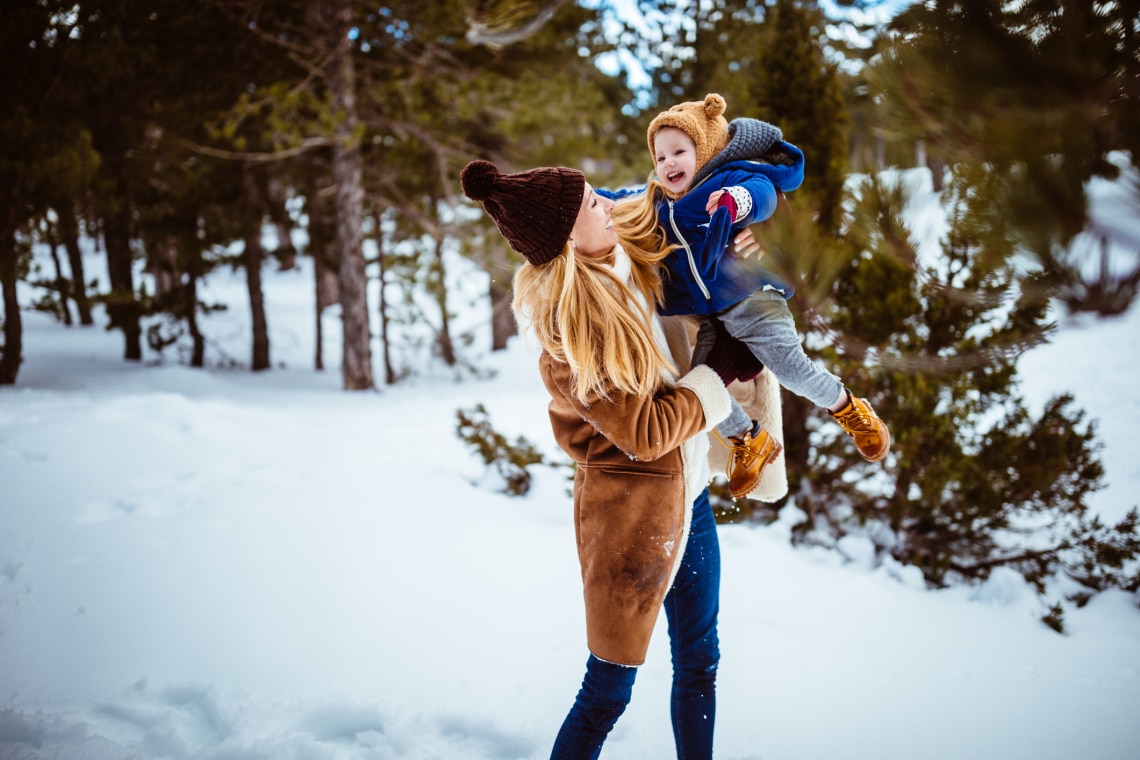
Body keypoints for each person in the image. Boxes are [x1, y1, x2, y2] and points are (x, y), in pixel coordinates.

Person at [461, 158, 762, 760]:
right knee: (607, 690)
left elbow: (676, 208)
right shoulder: (571, 339)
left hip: (692, 496)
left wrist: (733, 237)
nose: (608, 203)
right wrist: (719, 375)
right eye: (592, 203)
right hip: (632, 521)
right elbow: (648, 432)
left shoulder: (623, 247)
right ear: (571, 236)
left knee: (701, 661)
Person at [608, 93, 890, 500]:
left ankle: (850, 409)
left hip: (756, 301)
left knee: (793, 370)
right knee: (699, 390)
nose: (668, 164)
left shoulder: (729, 178)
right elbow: (620, 199)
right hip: (715, 319)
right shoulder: (658, 204)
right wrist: (586, 195)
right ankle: (751, 441)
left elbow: (762, 192)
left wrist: (736, 203)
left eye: (679, 152)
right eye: (660, 157)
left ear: (703, 150)